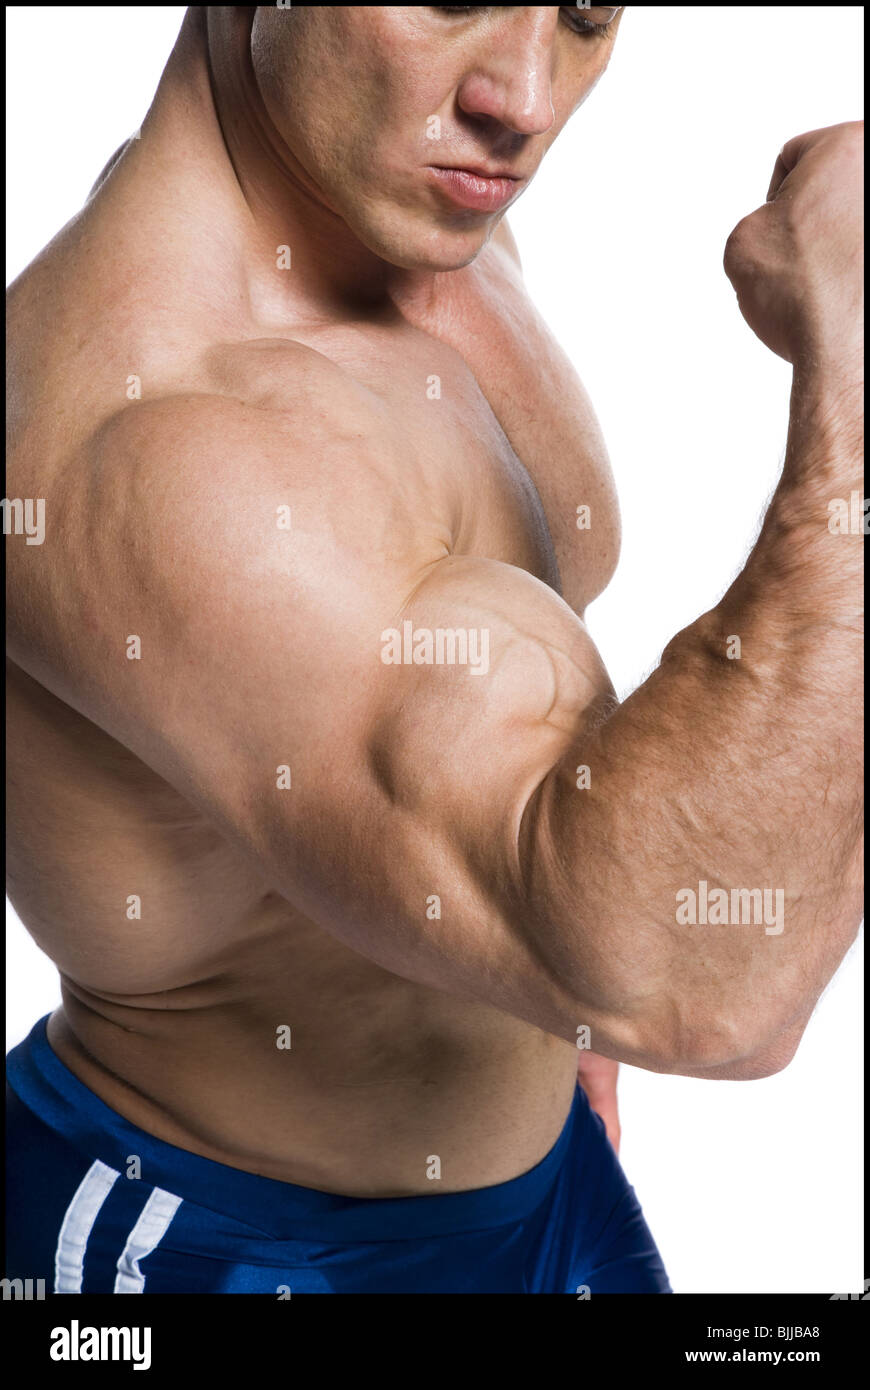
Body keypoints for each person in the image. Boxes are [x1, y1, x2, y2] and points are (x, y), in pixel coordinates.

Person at [5, 6, 862, 1294]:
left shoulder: (407, 226)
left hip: (551, 1188)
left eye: (581, 12)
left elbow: (482, 686)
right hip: (229, 1248)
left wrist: (559, 993)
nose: (524, 98)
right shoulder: (164, 441)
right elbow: (707, 979)